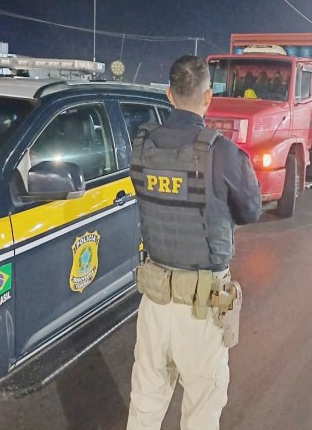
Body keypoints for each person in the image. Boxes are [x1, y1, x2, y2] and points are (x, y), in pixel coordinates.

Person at [127, 55, 261, 430]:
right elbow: (251, 210)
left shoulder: (141, 145)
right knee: (201, 413)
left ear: (169, 94)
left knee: (145, 406)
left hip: (154, 304)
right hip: (201, 311)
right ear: (208, 96)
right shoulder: (222, 152)